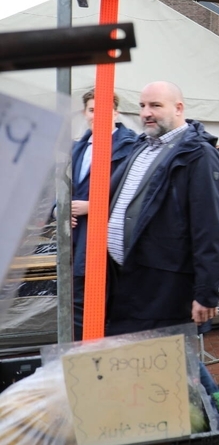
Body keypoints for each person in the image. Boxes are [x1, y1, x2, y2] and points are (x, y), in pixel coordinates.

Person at [106, 81, 219, 396]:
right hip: (128, 281)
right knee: (159, 364)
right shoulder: (141, 147)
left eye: (155, 106)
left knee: (170, 366)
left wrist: (205, 293)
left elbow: (209, 226)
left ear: (178, 108)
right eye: (143, 106)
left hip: (164, 286)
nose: (146, 113)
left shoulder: (198, 154)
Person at [69, 89, 136, 341]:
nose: (97, 116)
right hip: (77, 245)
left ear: (115, 112)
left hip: (111, 248)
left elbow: (133, 197)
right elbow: (62, 189)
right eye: (92, 110)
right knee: (77, 309)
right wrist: (61, 210)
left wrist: (93, 207)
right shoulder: (76, 149)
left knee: (109, 310)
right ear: (85, 113)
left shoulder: (130, 148)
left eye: (103, 110)